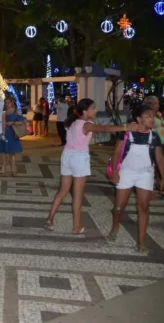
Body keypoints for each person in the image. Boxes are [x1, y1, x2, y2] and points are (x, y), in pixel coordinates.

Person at [45, 98, 138, 234]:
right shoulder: (86, 124)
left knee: (63, 190)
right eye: (93, 108)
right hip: (79, 158)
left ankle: (50, 218)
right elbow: (103, 128)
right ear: (85, 111)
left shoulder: (72, 122)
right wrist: (125, 127)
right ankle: (76, 227)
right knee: (77, 195)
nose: (95, 110)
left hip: (67, 156)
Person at [109, 105, 164, 253]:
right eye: (148, 116)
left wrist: (163, 177)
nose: (152, 119)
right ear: (139, 119)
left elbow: (159, 157)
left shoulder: (154, 136)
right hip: (126, 172)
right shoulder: (126, 134)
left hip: (145, 174)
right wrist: (114, 172)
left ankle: (141, 242)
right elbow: (116, 153)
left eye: (153, 116)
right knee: (119, 206)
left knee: (144, 208)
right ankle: (115, 227)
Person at [0, 97, 25, 176]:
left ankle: (13, 169)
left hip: (12, 133)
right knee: (3, 152)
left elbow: (21, 122)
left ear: (12, 102)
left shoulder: (16, 111)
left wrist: (12, 122)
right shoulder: (3, 112)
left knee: (12, 152)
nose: (7, 104)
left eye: (8, 102)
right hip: (4, 133)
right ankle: (3, 168)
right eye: (5, 102)